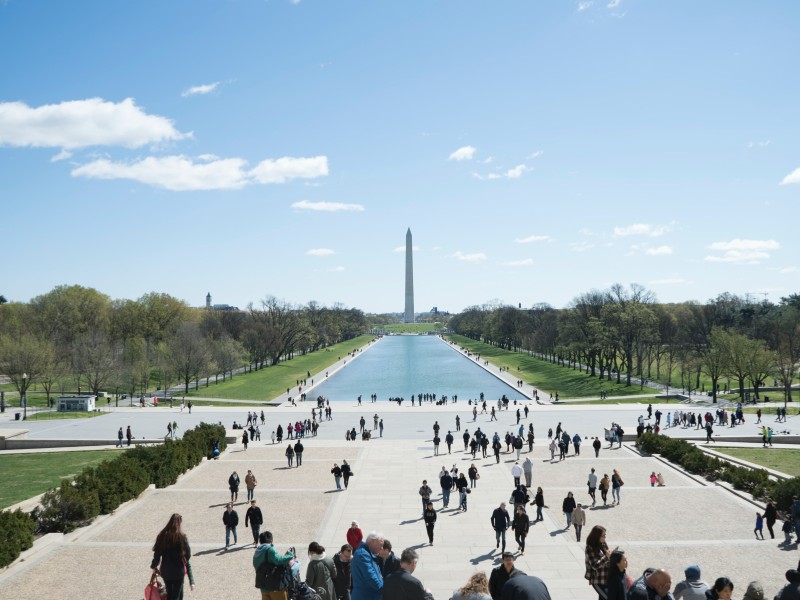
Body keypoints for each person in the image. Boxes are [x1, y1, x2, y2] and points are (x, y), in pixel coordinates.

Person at [150, 513, 192, 600]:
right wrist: (182, 561)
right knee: (176, 595)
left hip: (166, 571)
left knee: (170, 594)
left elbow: (157, 555)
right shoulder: (182, 537)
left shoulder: (162, 536)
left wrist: (154, 566)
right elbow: (188, 554)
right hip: (178, 571)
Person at [253, 530, 295, 600]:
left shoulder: (257, 551)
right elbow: (279, 560)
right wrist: (289, 555)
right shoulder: (269, 549)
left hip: (263, 586)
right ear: (271, 540)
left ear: (260, 541)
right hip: (275, 586)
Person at [351, 531, 384, 600]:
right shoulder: (363, 554)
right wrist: (385, 590)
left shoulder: (367, 554)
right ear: (373, 541)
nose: (381, 548)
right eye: (380, 545)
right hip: (365, 596)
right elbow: (371, 577)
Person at [584, 525, 611, 600]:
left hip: (607, 578)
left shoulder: (603, 544)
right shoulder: (590, 548)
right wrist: (606, 557)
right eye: (603, 535)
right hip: (597, 580)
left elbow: (607, 561)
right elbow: (594, 565)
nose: (605, 537)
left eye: (605, 535)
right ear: (597, 536)